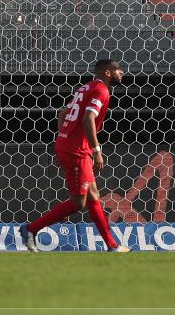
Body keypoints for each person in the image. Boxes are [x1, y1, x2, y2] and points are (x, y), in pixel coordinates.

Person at [20, 59, 130, 252]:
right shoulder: (101, 91)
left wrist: (63, 139)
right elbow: (88, 119)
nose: (122, 73)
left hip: (68, 145)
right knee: (85, 200)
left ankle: (112, 245)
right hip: (77, 150)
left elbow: (62, 115)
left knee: (87, 198)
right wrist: (97, 151)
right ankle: (31, 229)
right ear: (107, 73)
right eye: (118, 70)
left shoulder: (85, 87)